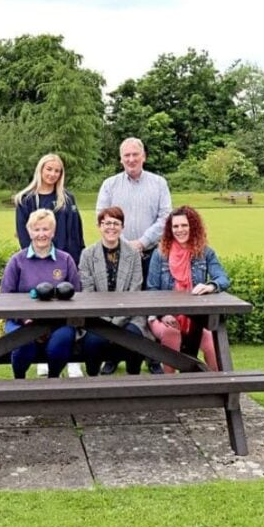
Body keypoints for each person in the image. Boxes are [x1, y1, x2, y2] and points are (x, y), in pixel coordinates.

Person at [95, 137, 172, 374]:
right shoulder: (110, 185)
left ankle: (152, 357)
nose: (131, 159)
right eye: (126, 155)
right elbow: (102, 217)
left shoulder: (159, 183)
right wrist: (125, 245)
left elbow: (165, 218)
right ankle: (113, 355)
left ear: (143, 156)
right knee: (116, 304)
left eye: (135, 154)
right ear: (121, 159)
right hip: (117, 256)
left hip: (152, 254)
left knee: (150, 306)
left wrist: (142, 242)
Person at [14, 153, 85, 378]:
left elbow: (76, 232)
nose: (53, 174)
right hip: (38, 262)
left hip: (65, 262)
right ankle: (42, 358)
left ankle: (72, 360)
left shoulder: (67, 199)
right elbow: (25, 236)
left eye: (57, 171)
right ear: (40, 170)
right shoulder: (25, 199)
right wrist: (36, 260)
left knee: (66, 309)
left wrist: (75, 259)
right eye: (49, 169)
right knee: (40, 307)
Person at [146, 206, 231, 372]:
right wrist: (164, 314)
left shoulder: (205, 253)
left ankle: (217, 384)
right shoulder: (160, 254)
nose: (180, 230)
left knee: (211, 343)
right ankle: (171, 385)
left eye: (184, 225)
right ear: (170, 230)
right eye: (175, 226)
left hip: (195, 316)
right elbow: (152, 289)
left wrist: (210, 286)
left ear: (193, 226)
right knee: (171, 334)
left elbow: (223, 278)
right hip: (163, 315)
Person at [0, 209, 81, 379]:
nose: (41, 234)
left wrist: (59, 319)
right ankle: (19, 381)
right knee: (24, 342)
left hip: (58, 322)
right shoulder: (17, 261)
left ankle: (53, 380)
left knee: (62, 341)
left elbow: (77, 295)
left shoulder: (66, 260)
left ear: (53, 232)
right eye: (36, 229)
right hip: (22, 322)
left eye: (45, 229)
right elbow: (5, 297)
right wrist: (24, 319)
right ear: (29, 232)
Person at [78, 207, 149, 375]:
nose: (111, 227)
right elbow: (88, 293)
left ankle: (133, 377)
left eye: (116, 223)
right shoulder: (87, 254)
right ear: (99, 226)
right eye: (107, 223)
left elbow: (134, 290)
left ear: (122, 227)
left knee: (134, 337)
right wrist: (106, 321)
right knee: (92, 342)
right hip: (97, 316)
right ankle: (93, 380)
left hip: (130, 315)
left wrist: (116, 321)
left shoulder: (133, 254)